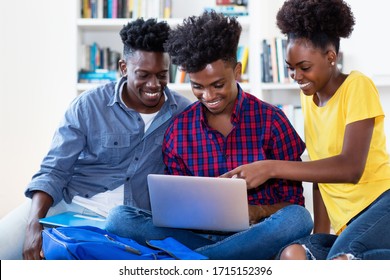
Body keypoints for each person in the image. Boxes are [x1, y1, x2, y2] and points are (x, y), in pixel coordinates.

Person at [105, 10, 313, 260]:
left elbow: (293, 205)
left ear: (236, 72)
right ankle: (215, 259)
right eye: (197, 86)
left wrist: (257, 211)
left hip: (258, 233)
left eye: (217, 85)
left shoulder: (272, 121)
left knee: (299, 219)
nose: (208, 96)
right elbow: (175, 208)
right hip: (197, 237)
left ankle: (197, 262)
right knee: (119, 219)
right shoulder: (179, 131)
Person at [0, 18, 191, 260]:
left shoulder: (183, 112)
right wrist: (33, 224)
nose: (154, 84)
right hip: (71, 205)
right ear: (123, 68)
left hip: (131, 221)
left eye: (162, 75)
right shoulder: (89, 105)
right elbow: (54, 170)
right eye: (143, 75)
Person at [222, 0, 390, 260]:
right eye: (291, 68)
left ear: (331, 57)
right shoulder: (308, 97)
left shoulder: (357, 86)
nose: (296, 76)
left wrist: (269, 167)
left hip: (381, 205)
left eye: (304, 67)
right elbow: (321, 173)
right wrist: (318, 236)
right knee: (294, 254)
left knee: (343, 259)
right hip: (348, 225)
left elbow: (350, 167)